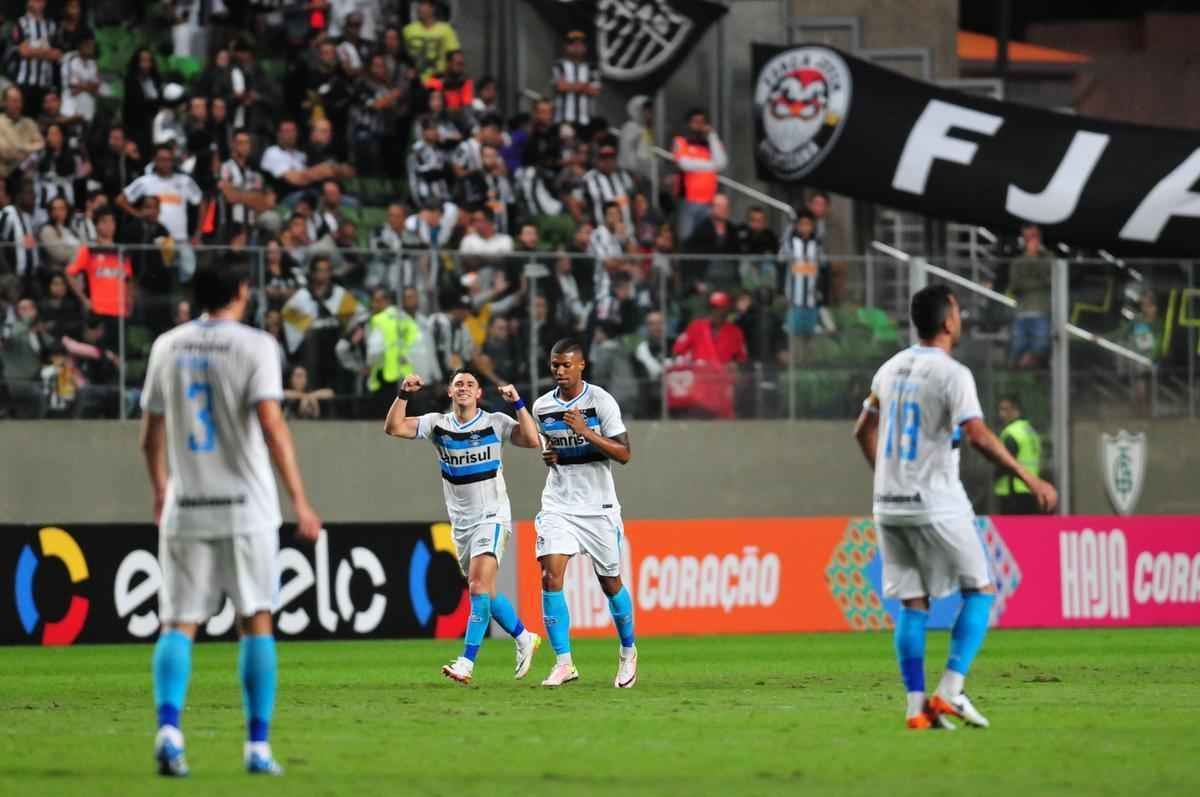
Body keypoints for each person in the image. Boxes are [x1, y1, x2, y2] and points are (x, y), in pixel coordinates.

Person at [139, 261, 322, 776]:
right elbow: (271, 424)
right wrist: (301, 500)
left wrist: (160, 491)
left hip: (186, 505)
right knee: (256, 619)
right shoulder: (256, 346)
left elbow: (149, 434)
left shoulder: (166, 346)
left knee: (178, 622)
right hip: (246, 507)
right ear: (242, 292)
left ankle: (170, 731)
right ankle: (257, 748)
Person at [852, 284, 1057, 731]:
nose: (960, 318)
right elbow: (979, 435)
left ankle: (914, 708)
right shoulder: (952, 374)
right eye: (959, 312)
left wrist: (887, 477)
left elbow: (862, 430)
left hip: (888, 504)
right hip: (936, 501)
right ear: (947, 321)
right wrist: (1030, 476)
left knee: (912, 602)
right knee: (979, 589)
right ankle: (949, 690)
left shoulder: (888, 369)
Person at [384, 368, 543, 682]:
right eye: (459, 384)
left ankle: (467, 662)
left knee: (477, 587)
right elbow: (394, 427)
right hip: (462, 526)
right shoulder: (437, 424)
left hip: (493, 517)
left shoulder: (494, 422)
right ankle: (524, 637)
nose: (464, 388)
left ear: (479, 393)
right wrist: (403, 394)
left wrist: (519, 403)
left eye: (471, 384)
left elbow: (531, 439)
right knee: (487, 591)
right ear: (450, 392)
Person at [532, 338, 637, 688]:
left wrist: (586, 432)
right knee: (550, 575)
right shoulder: (542, 407)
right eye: (554, 365)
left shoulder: (601, 401)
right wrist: (550, 456)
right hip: (559, 503)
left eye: (566, 365)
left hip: (598, 508)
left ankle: (627, 650)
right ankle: (564, 662)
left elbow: (624, 454)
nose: (559, 371)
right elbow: (552, 447)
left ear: (581, 366)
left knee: (610, 584)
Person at [118, 144, 204, 282]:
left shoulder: (184, 181)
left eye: (169, 159)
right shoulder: (146, 181)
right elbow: (121, 200)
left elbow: (200, 201)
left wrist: (199, 232)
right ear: (155, 160)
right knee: (158, 280)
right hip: (155, 242)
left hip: (180, 241)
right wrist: (138, 214)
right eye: (161, 159)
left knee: (187, 278)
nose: (165, 163)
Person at [364, 287, 421, 417]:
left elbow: (375, 349)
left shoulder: (380, 319)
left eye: (377, 301)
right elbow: (417, 345)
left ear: (387, 301)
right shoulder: (407, 319)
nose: (374, 305)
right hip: (407, 375)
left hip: (385, 375)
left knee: (386, 416)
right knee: (406, 416)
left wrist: (369, 364)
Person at [672, 108, 727, 242]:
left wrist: (712, 135)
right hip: (687, 201)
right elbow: (684, 163)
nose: (699, 125)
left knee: (706, 241)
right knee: (686, 239)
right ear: (688, 124)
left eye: (702, 122)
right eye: (695, 122)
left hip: (709, 202)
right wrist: (710, 165)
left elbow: (721, 163)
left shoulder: (713, 143)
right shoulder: (680, 141)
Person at [1007, 223, 1053, 369]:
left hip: (1041, 311)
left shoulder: (1048, 258)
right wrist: (1036, 281)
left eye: (1032, 237)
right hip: (1021, 311)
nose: (1029, 241)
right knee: (1018, 349)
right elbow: (1015, 285)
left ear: (1039, 238)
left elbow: (1050, 281)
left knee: (1040, 348)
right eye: (1026, 238)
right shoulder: (1018, 260)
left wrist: (1033, 259)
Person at [9, 0, 62, 117]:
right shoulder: (20, 23)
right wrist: (46, 52)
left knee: (40, 125)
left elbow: (57, 54)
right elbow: (23, 52)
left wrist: (33, 50)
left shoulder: (51, 25)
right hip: (24, 84)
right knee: (22, 120)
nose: (39, 2)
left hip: (45, 85)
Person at [992, 395, 1043, 516]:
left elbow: (1005, 462)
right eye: (1000, 410)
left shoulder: (1012, 433)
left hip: (1013, 491)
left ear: (1016, 410)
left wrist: (994, 476)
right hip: (1031, 489)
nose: (1001, 414)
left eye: (1005, 409)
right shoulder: (1030, 431)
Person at [551, 31, 601, 134]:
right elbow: (560, 86)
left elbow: (595, 91)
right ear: (566, 47)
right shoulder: (559, 65)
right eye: (572, 44)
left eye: (580, 44)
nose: (576, 47)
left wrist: (571, 85)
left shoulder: (592, 68)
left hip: (586, 119)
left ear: (585, 47)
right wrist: (584, 86)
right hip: (564, 119)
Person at [403, 0, 460, 80]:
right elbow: (403, 56)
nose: (420, 8)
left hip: (439, 80)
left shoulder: (446, 30)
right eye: (420, 5)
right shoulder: (408, 30)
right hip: (415, 82)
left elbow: (455, 56)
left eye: (423, 5)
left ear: (432, 8)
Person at [0, 85, 45, 180]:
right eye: (14, 101)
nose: (18, 105)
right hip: (3, 178)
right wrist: (29, 148)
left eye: (20, 101)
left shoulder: (30, 123)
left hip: (27, 179)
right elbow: (6, 153)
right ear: (4, 103)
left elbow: (41, 146)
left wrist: (19, 147)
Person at [618, 95, 654, 183]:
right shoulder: (631, 127)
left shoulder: (646, 128)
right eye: (645, 110)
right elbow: (627, 152)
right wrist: (633, 172)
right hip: (633, 175)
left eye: (650, 110)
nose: (648, 113)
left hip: (645, 174)